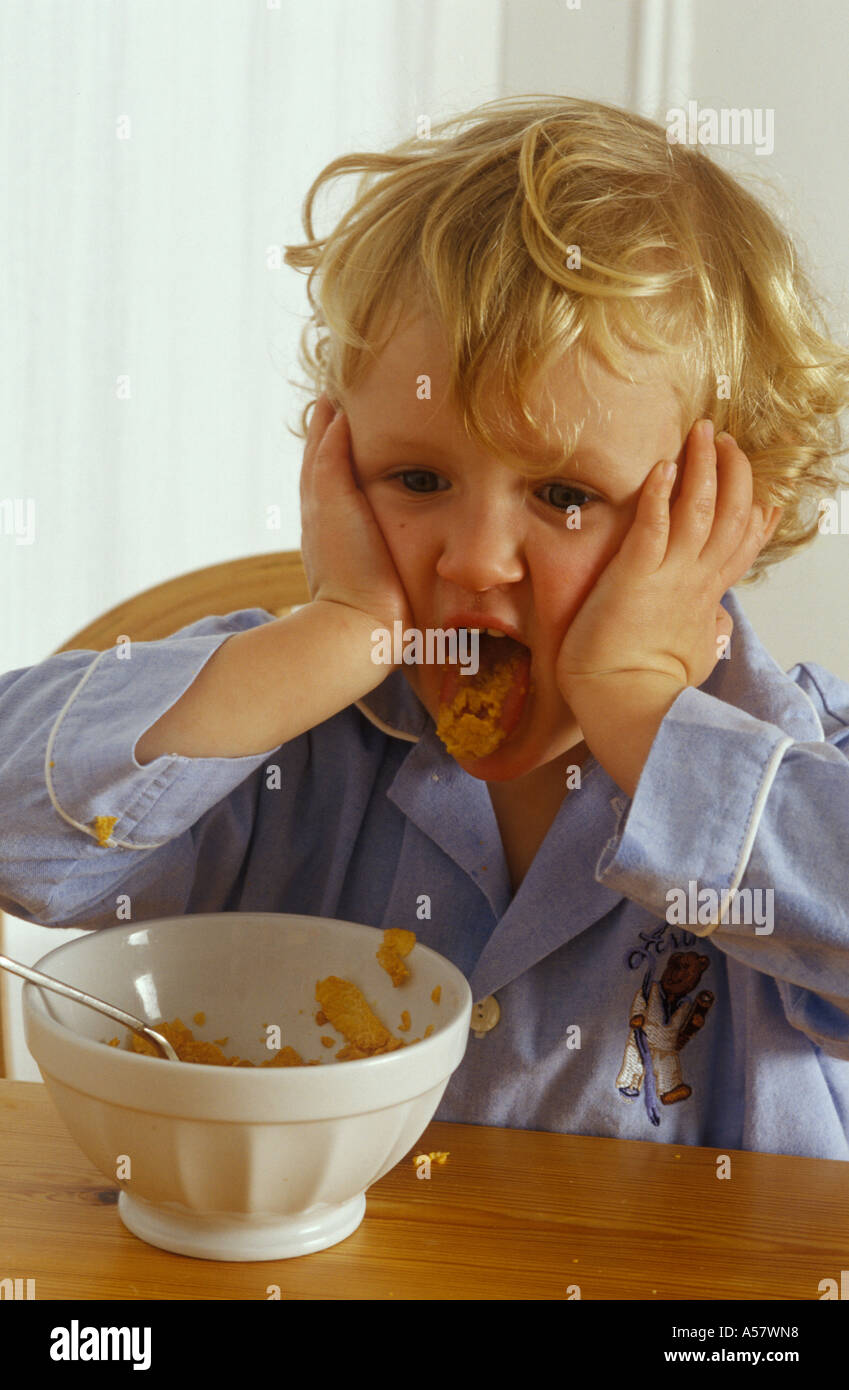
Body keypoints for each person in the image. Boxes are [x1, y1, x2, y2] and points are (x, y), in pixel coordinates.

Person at [2, 95, 849, 1159]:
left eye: (566, 495)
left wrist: (640, 709)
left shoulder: (812, 764)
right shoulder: (289, 755)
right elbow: (19, 840)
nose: (476, 558)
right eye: (416, 476)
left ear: (730, 514)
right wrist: (334, 633)